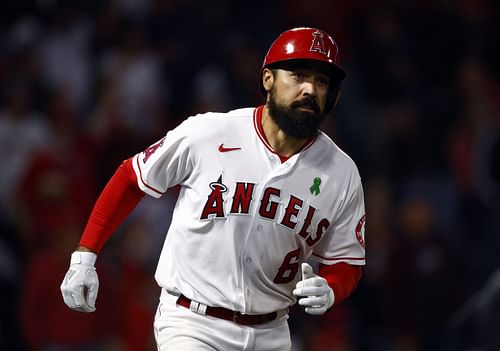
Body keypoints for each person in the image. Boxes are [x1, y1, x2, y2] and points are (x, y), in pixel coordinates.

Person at [61, 27, 366, 351]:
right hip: (193, 323)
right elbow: (132, 177)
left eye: (322, 81)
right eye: (299, 74)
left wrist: (331, 288)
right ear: (268, 80)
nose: (310, 89)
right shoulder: (208, 133)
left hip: (272, 331)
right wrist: (85, 255)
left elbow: (347, 258)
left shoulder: (342, 173)